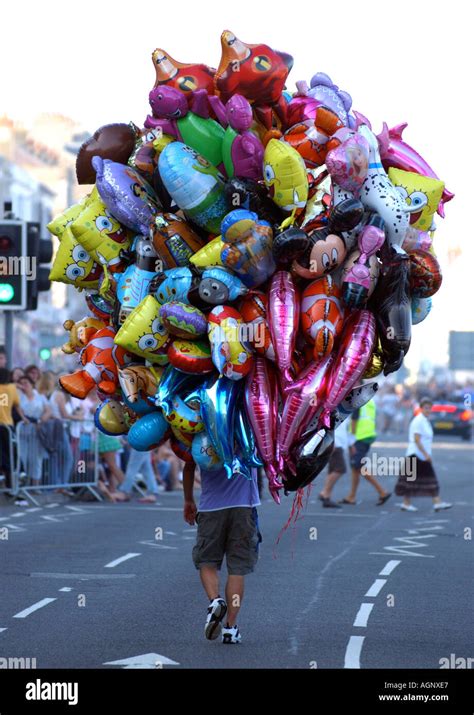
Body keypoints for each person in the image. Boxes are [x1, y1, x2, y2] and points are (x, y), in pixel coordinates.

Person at [183, 460, 261, 644]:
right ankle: (230, 627)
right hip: (244, 507)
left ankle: (215, 601)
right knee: (237, 569)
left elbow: (189, 466)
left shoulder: (201, 431)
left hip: (211, 507)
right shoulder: (251, 431)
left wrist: (188, 499)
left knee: (207, 561)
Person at [395, 397, 452, 512]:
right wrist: (426, 455)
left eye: (430, 408)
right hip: (416, 455)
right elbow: (417, 439)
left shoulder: (425, 421)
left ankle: (407, 503)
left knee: (412, 480)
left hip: (419, 455)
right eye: (426, 408)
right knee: (430, 479)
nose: (428, 410)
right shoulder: (418, 420)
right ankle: (437, 502)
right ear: (421, 408)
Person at [339, 399, 391, 506]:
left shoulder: (357, 399)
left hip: (359, 437)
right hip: (368, 435)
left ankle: (382, 492)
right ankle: (351, 496)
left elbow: (354, 419)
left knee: (359, 466)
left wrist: (351, 440)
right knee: (355, 468)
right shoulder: (369, 399)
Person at [17, 375, 52, 487]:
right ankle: (22, 484)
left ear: (32, 384)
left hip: (37, 431)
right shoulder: (19, 396)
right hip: (22, 431)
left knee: (36, 459)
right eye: (21, 383)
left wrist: (41, 421)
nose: (24, 385)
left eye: (26, 382)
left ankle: (35, 485)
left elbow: (48, 411)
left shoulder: (40, 396)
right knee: (22, 457)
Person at [0, 367, 27, 491]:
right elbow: (17, 407)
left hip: (1, 425)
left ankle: (4, 475)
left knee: (3, 453)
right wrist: (24, 418)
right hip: (8, 424)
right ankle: (19, 472)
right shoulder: (11, 388)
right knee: (12, 450)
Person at [318, 421, 350, 508]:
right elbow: (327, 425)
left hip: (338, 443)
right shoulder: (335, 409)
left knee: (332, 470)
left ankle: (327, 497)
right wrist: (332, 442)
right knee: (340, 469)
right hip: (335, 444)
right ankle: (324, 493)